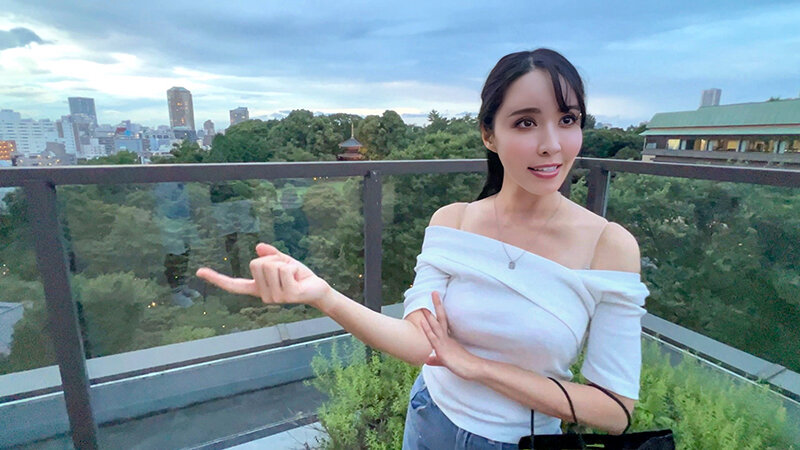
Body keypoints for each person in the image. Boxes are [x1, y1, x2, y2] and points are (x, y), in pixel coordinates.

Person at [196, 48, 649, 449]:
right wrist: (323, 295)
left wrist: (478, 367)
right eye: (526, 122)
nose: (551, 144)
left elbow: (615, 410)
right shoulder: (452, 222)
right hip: (431, 421)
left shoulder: (608, 246)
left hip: (523, 442)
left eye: (567, 120)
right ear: (489, 134)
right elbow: (419, 343)